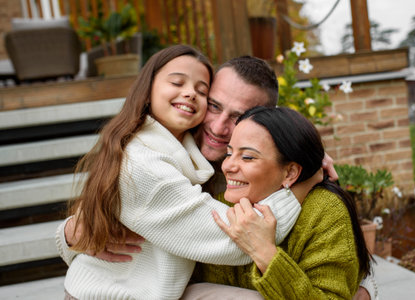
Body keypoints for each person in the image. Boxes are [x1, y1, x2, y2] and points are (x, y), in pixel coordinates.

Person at [57, 54, 376, 299]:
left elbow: (341, 248)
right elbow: (87, 229)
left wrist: (365, 287)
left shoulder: (267, 167)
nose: (220, 126)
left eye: (238, 116)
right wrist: (74, 233)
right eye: (213, 105)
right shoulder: (161, 154)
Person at [185, 106, 372, 299]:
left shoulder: (325, 209)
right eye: (229, 153)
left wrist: (266, 254)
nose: (228, 166)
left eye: (247, 157)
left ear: (290, 173)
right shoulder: (221, 204)